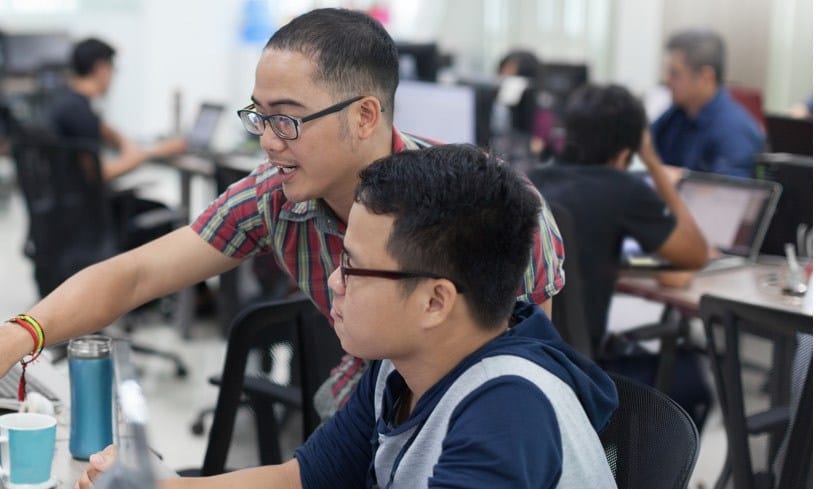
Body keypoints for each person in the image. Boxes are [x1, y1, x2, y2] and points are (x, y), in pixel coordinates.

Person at [0, 8, 565, 420]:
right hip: (368, 411)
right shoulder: (276, 197)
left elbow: (528, 382)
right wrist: (16, 337)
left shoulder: (492, 211)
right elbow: (134, 276)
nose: (267, 140)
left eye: (288, 119)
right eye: (259, 116)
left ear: (367, 115)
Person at [76, 145, 618, 488]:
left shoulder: (507, 412)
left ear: (436, 300)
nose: (333, 281)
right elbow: (302, 478)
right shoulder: (400, 363)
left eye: (355, 267)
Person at [529, 84, 709, 349]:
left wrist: (645, 268)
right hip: (584, 372)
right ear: (627, 152)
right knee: (695, 379)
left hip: (531, 358)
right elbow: (696, 254)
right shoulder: (624, 189)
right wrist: (653, 163)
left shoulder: (531, 180)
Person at [51, 37, 187, 182]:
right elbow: (101, 174)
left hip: (65, 197)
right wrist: (152, 153)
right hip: (86, 201)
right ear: (101, 69)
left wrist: (128, 144)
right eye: (113, 69)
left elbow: (106, 130)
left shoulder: (66, 101)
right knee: (166, 204)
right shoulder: (78, 113)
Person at [650, 29, 763, 178]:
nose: (666, 80)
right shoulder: (675, 115)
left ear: (705, 77)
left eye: (675, 74)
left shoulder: (735, 131)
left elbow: (729, 195)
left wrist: (677, 179)